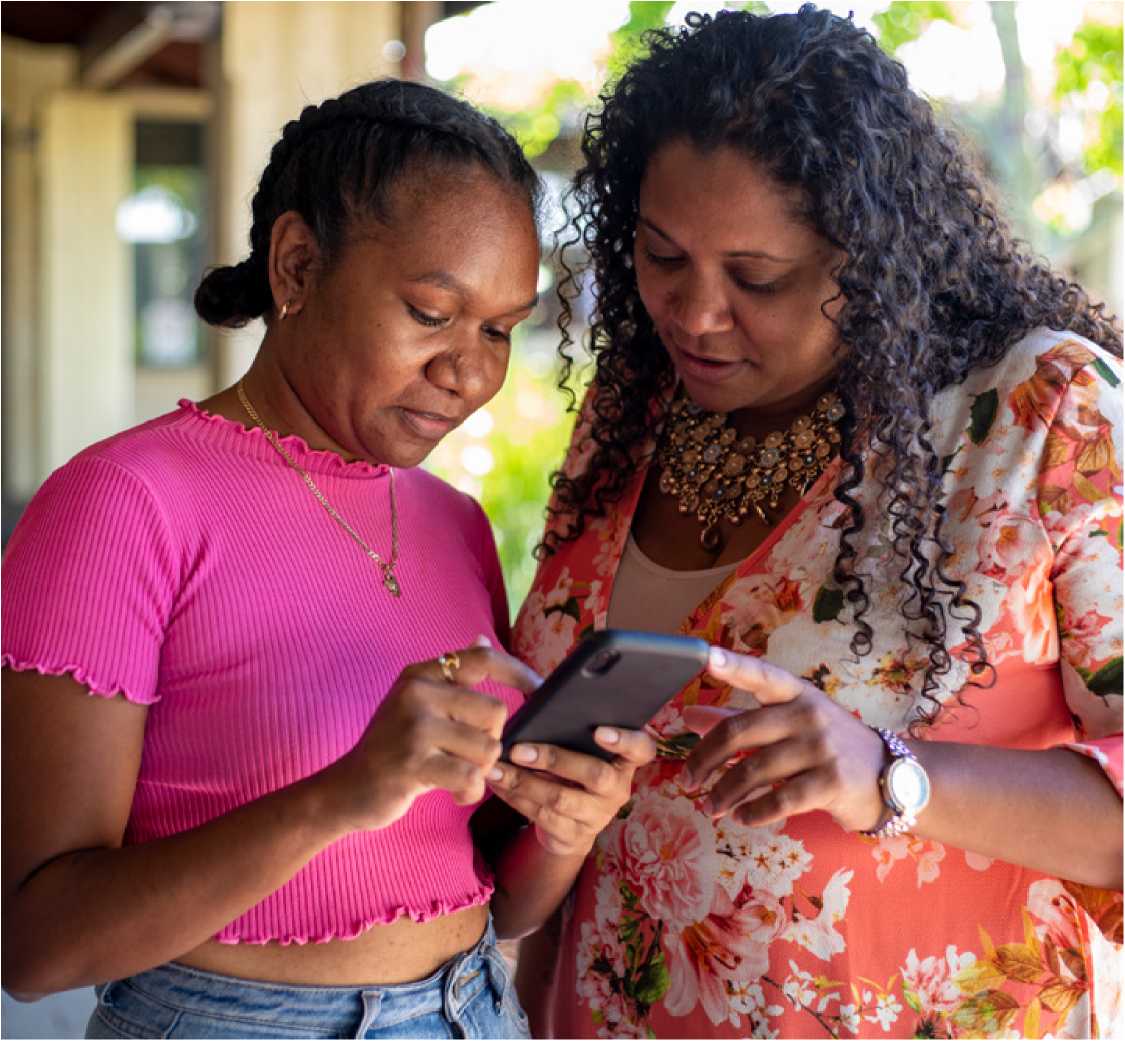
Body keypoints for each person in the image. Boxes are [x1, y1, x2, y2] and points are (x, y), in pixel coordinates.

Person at [512, 8, 1123, 1039]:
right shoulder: (637, 412)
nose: (694, 313)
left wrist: (894, 775)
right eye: (661, 255)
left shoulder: (1039, 414)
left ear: (872, 261)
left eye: (757, 278)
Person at [1, 79, 655, 1040]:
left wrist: (565, 827)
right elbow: (34, 945)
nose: (469, 372)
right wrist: (338, 796)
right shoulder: (124, 503)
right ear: (298, 265)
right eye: (430, 312)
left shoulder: (452, 523)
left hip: (474, 1007)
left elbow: (494, 900)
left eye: (498, 329)